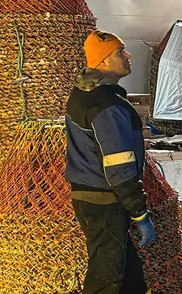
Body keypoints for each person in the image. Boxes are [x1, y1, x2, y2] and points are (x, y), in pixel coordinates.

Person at [64, 30, 156, 294]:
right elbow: (119, 168)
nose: (127, 56)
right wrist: (139, 213)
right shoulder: (106, 104)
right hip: (105, 201)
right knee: (107, 280)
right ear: (102, 61)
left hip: (94, 198)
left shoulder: (85, 93)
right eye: (120, 52)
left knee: (129, 277)